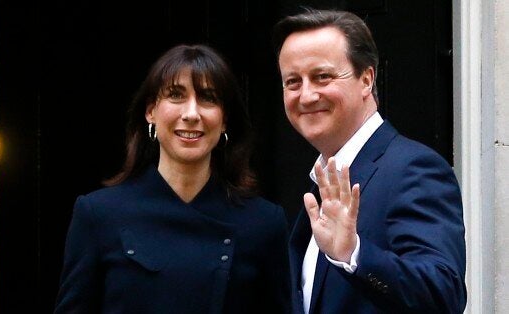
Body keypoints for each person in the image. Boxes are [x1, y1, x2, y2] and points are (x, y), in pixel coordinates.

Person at [54, 44, 291, 313]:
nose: (191, 114)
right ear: (150, 111)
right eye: (176, 95)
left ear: (225, 119)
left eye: (208, 98)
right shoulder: (98, 214)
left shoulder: (263, 222)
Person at [272, 8, 467, 313]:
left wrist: (354, 254)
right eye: (293, 82)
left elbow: (443, 294)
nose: (306, 95)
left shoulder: (412, 169)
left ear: (366, 79)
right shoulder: (322, 179)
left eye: (322, 77)